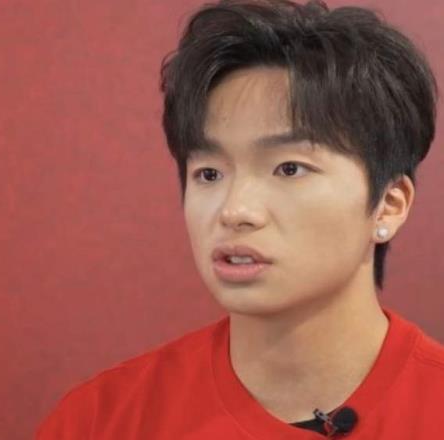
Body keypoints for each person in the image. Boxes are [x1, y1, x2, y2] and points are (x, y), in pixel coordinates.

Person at [35, 0, 443, 438]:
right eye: (209, 174)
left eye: (289, 168)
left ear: (389, 204)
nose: (234, 211)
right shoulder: (99, 420)